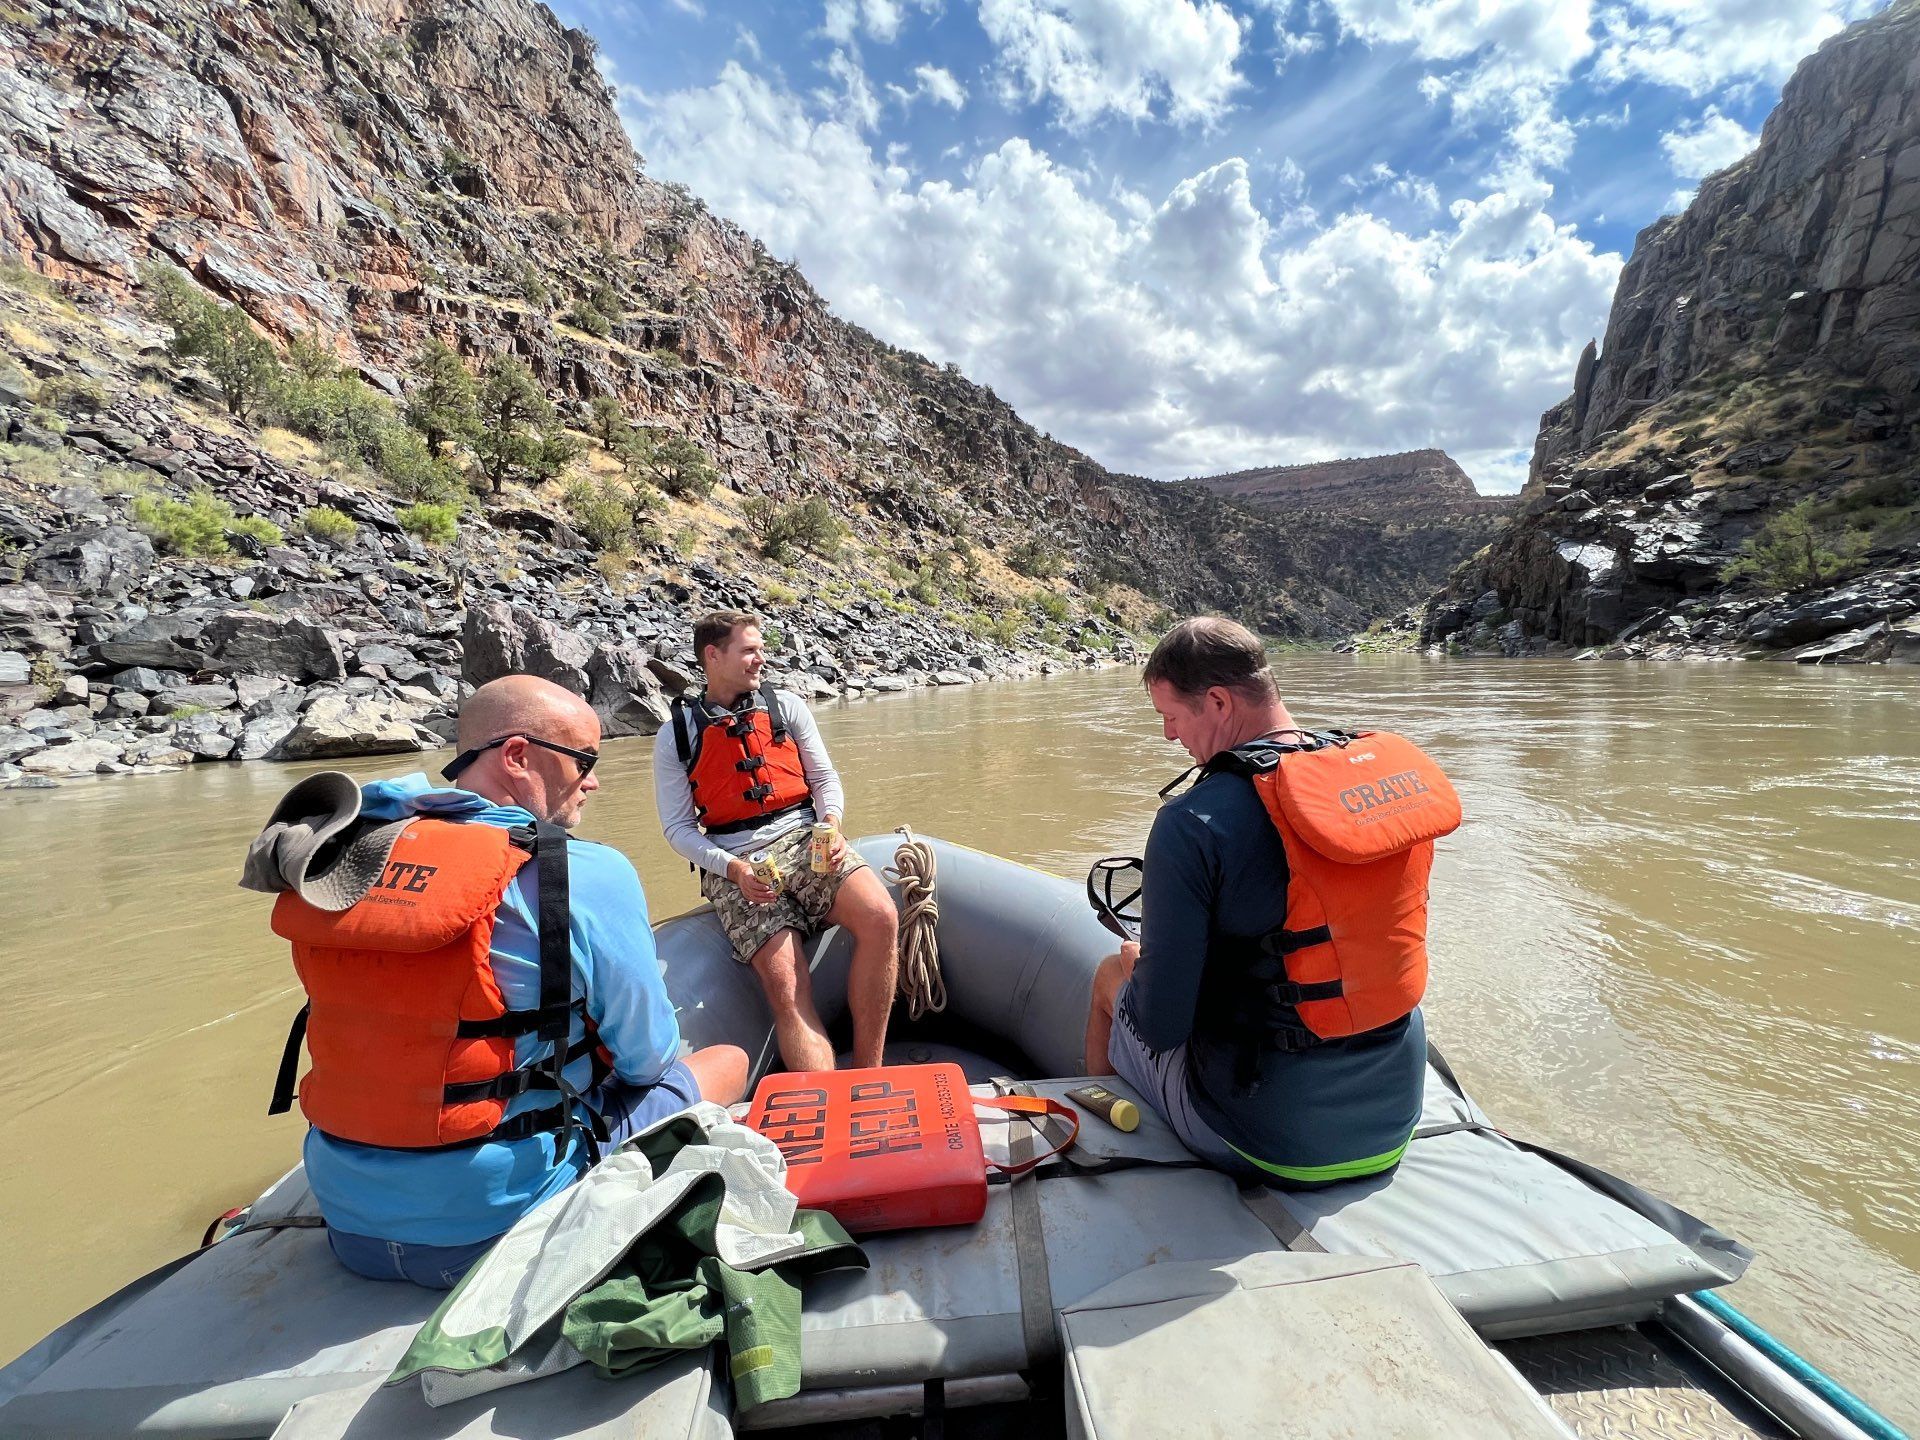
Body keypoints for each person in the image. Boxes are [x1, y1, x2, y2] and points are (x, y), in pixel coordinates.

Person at [243, 674, 747, 1288]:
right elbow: (647, 1061)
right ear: (516, 756)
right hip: (492, 1231)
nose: (594, 780)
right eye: (584, 758)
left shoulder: (350, 860)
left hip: (350, 1225)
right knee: (725, 1061)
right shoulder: (585, 871)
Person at [1084, 617, 1444, 1187]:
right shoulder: (1371, 791)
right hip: (1393, 1117)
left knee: (1111, 974)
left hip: (1269, 1137)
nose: (1169, 737)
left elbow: (1160, 1025)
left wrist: (1141, 965)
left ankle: (1112, 1159)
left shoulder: (1190, 823)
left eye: (1171, 717)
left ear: (1219, 702)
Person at [654, 609, 899, 1072]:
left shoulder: (786, 706)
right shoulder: (676, 736)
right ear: (713, 655)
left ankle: (869, 1074)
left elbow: (824, 778)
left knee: (881, 916)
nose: (759, 660)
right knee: (787, 982)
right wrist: (734, 870)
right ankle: (826, 1100)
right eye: (749, 650)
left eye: (760, 650)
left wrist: (832, 822)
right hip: (735, 859)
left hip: (808, 837)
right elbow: (678, 830)